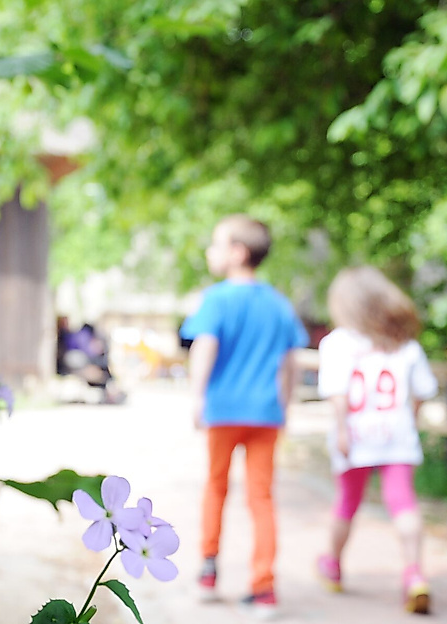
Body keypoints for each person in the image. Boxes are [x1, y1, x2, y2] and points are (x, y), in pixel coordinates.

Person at [179, 215, 309, 617]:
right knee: (262, 497)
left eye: (216, 244)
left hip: (224, 410)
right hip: (266, 414)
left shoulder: (216, 299)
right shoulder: (279, 304)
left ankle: (207, 569)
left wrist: (197, 396)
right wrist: (285, 407)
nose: (209, 251)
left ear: (237, 253)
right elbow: (291, 363)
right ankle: (264, 586)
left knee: (216, 487)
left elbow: (204, 347)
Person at [315, 265, 438, 615]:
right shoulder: (405, 346)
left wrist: (341, 429)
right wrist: (409, 420)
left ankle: (333, 565)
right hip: (396, 436)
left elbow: (337, 393)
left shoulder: (337, 343)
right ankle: (414, 573)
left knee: (346, 502)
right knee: (403, 503)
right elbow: (423, 392)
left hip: (354, 437)